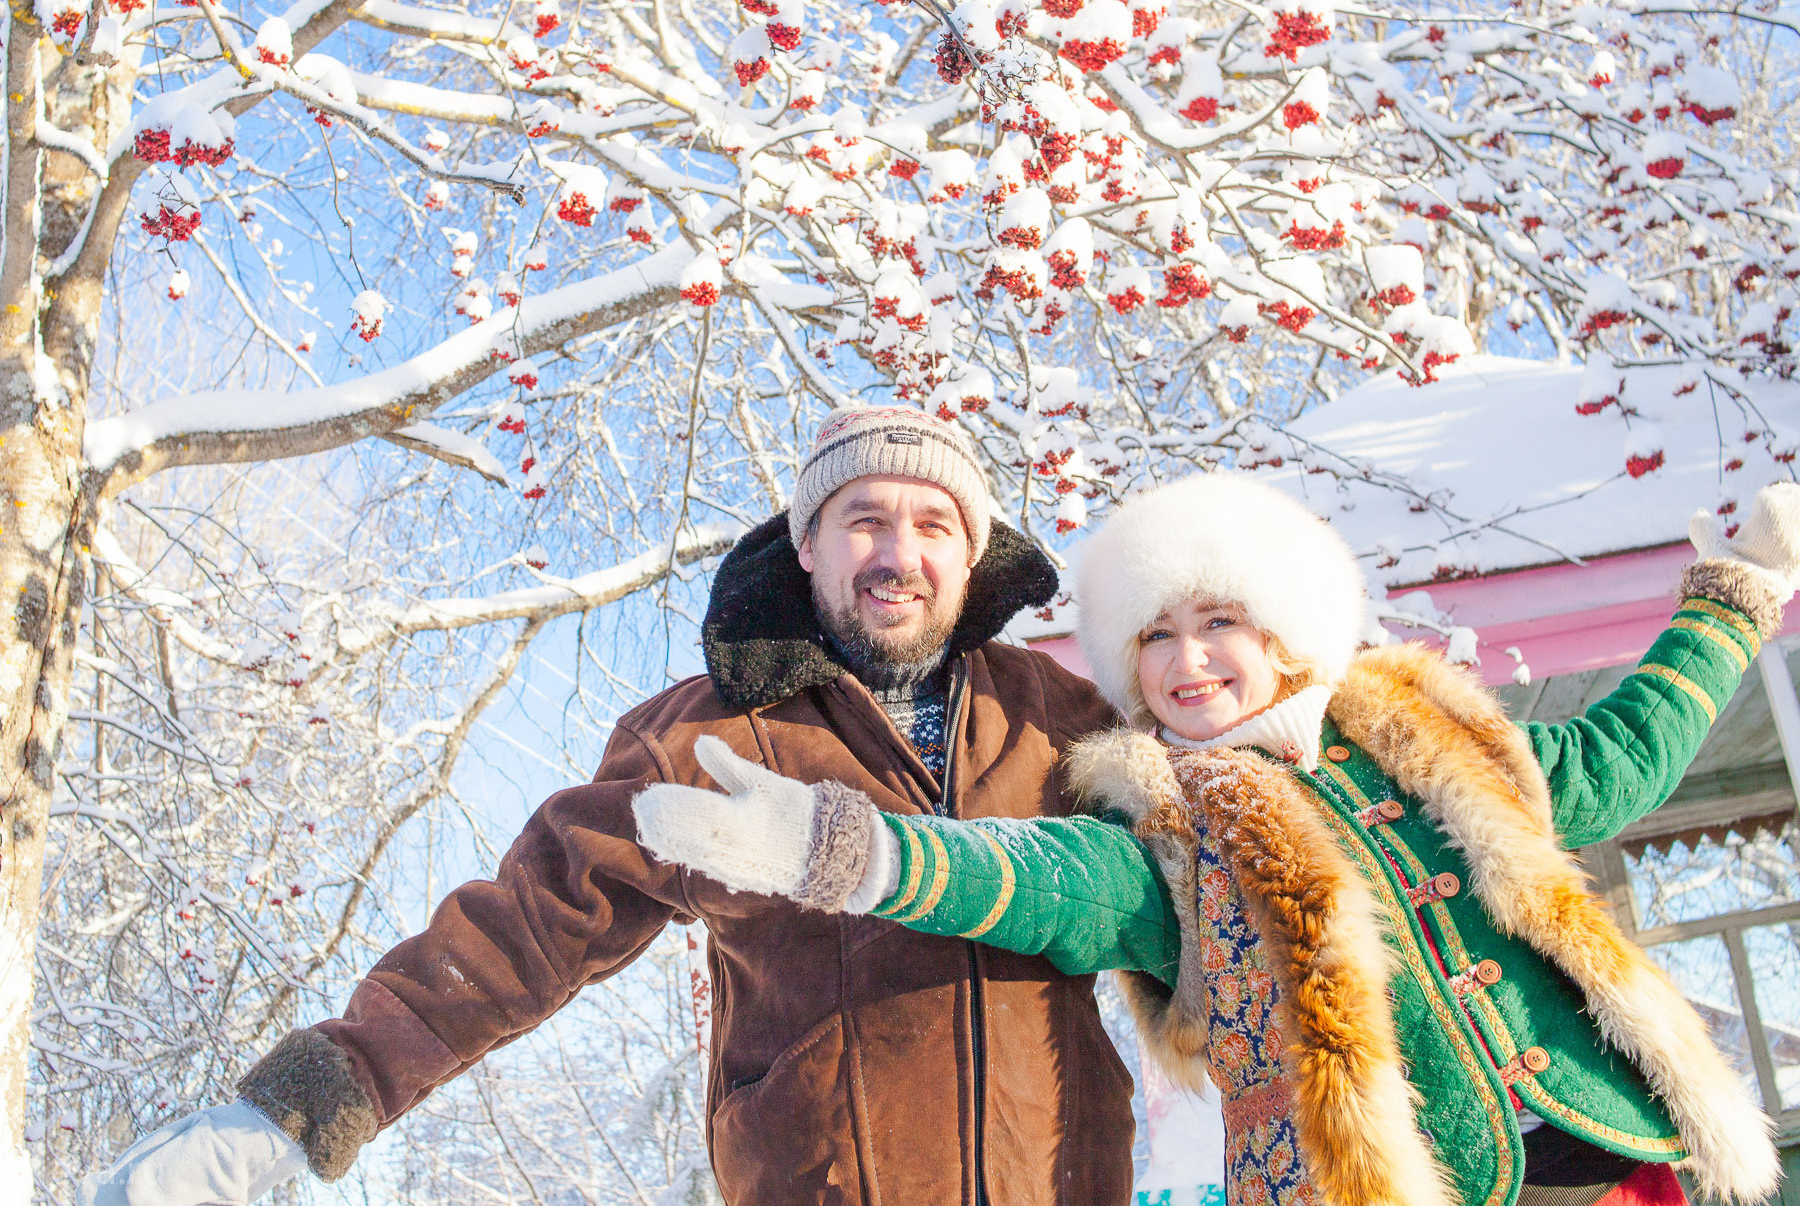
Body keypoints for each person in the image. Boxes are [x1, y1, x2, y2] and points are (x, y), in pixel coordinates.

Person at [635, 473, 1797, 1206]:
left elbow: (1615, 758)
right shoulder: (1162, 822)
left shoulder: (1423, 740)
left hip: (1617, 1153)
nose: (1183, 663)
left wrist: (1729, 600)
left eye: (1216, 624)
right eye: (1151, 638)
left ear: (1286, 632)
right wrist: (836, 848)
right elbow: (1038, 884)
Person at [82, 405, 1135, 1206]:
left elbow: (1207, 886)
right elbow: (533, 924)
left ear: (970, 552)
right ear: (806, 544)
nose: (896, 554)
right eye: (862, 520)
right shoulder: (713, 731)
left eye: (931, 524)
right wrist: (316, 1092)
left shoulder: (1061, 716)